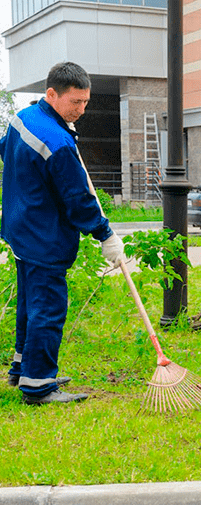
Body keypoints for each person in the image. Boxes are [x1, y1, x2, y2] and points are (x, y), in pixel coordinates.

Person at [0, 62, 124, 405]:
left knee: (29, 304)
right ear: (52, 94)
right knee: (48, 309)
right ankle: (39, 384)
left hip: (21, 229)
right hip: (43, 237)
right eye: (75, 102)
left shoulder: (24, 118)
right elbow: (79, 200)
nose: (81, 110)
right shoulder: (57, 141)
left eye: (85, 102)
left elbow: (5, 149)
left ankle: (23, 368)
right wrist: (105, 235)